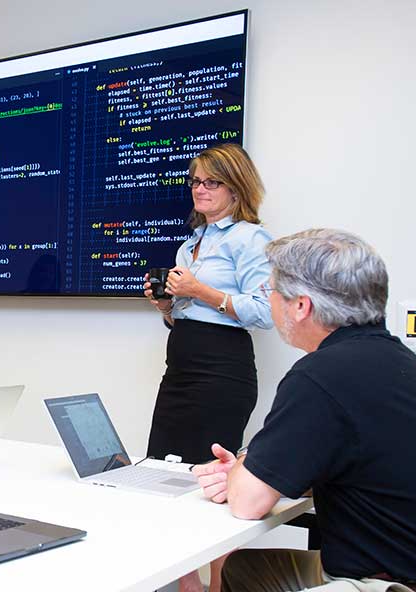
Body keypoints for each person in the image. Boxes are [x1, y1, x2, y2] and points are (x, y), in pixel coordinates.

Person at [193, 229, 416, 592]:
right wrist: (260, 466)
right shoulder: (397, 361)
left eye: (271, 291)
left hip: (389, 583)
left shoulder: (321, 376)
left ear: (301, 306)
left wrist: (244, 470)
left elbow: (247, 502)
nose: (269, 299)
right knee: (247, 568)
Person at [143, 143, 273, 592]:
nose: (200, 189)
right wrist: (166, 304)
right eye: (195, 181)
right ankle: (187, 586)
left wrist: (199, 290)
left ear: (235, 188)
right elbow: (186, 314)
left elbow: (264, 312)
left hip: (223, 371)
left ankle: (220, 585)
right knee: (166, 475)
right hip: (181, 366)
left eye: (211, 181)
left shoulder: (251, 239)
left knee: (212, 485)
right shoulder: (190, 243)